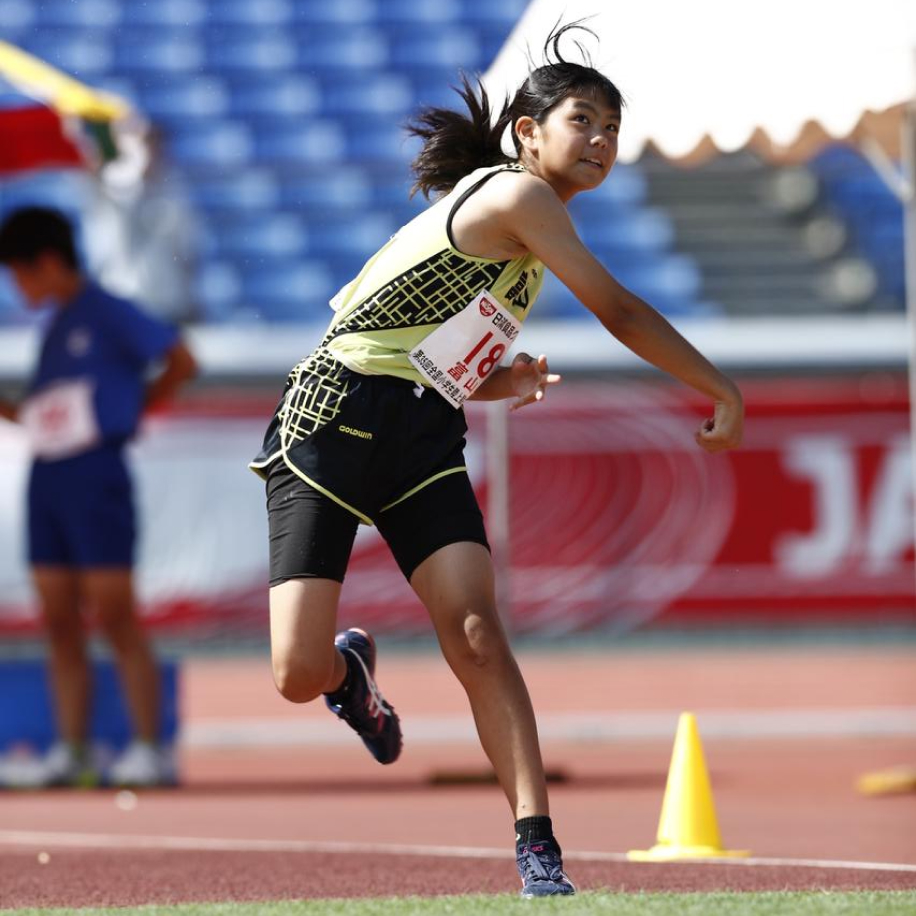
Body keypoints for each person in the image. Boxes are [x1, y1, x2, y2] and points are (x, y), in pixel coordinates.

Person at [250, 24, 743, 898]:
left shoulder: (525, 243)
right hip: (332, 418)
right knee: (296, 675)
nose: (598, 140)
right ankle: (347, 674)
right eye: (581, 121)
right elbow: (621, 313)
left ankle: (537, 848)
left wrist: (494, 378)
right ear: (527, 132)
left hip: (423, 432)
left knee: (477, 634)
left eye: (610, 129)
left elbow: (430, 363)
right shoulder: (519, 198)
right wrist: (721, 389)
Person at [0, 206, 198, 788]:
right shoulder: (57, 325)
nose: (16, 287)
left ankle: (148, 747)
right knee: (59, 618)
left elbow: (181, 358)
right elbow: (45, 420)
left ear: (49, 261)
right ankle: (72, 749)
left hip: (97, 479)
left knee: (114, 614)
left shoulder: (106, 311)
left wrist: (139, 408)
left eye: (19, 273)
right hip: (49, 480)